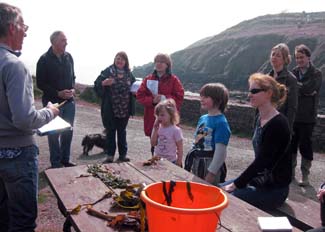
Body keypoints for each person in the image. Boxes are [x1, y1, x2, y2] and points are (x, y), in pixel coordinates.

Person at [0, 3, 59, 231]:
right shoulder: (14, 65)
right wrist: (50, 112)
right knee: (23, 223)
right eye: (23, 26)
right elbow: (24, 120)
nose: (26, 32)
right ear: (13, 28)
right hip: (18, 154)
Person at [223, 73, 291, 210]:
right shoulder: (259, 118)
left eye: (254, 91)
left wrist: (236, 184)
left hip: (275, 188)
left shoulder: (278, 124)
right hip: (260, 181)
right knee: (218, 189)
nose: (250, 95)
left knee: (227, 198)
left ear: (269, 93)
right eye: (250, 91)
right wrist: (239, 183)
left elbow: (262, 161)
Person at [36, 31, 76, 168]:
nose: (66, 43)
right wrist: (58, 93)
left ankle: (65, 159)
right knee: (53, 133)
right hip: (52, 103)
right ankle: (55, 163)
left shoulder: (69, 57)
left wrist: (73, 89)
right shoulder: (44, 59)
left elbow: (73, 77)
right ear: (54, 42)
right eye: (63, 40)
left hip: (70, 102)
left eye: (66, 40)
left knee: (68, 131)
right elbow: (40, 83)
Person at [136, 53, 184, 156]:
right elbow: (140, 95)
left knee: (170, 146)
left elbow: (179, 97)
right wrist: (152, 101)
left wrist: (164, 98)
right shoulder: (148, 79)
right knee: (154, 145)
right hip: (152, 116)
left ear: (167, 65)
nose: (159, 64)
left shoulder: (174, 80)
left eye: (162, 62)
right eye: (157, 61)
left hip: (169, 119)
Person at [185, 83, 231, 185]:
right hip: (197, 160)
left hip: (209, 163)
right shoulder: (203, 118)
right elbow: (198, 140)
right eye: (201, 96)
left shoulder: (221, 123)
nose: (201, 99)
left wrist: (212, 173)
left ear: (218, 100)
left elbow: (221, 152)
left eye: (206, 97)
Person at [94, 51, 136, 163]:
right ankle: (110, 155)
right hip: (110, 108)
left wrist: (136, 93)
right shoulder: (108, 71)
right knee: (111, 131)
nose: (119, 61)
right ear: (114, 60)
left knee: (122, 132)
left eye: (122, 59)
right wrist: (103, 84)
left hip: (124, 109)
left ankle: (123, 155)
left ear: (126, 62)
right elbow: (97, 84)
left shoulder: (129, 74)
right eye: (118, 58)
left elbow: (135, 88)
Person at [291, 44, 323, 186]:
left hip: (308, 118)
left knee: (306, 146)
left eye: (301, 57)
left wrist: (298, 87)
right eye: (297, 57)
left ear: (308, 57)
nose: (299, 60)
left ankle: (305, 176)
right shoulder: (294, 72)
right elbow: (291, 90)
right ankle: (290, 174)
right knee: (291, 145)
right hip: (293, 115)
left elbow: (311, 87)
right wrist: (305, 90)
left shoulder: (317, 73)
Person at [268, 43, 298, 132]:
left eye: (278, 56)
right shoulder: (266, 78)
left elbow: (292, 107)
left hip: (280, 123)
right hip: (265, 121)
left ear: (284, 59)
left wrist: (287, 128)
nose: (274, 57)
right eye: (273, 54)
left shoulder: (291, 79)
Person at [151, 99, 183, 167]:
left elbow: (180, 148)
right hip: (157, 160)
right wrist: (155, 130)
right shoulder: (158, 128)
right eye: (158, 115)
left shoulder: (176, 130)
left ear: (171, 115)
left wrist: (179, 161)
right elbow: (153, 143)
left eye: (162, 115)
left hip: (171, 161)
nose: (159, 117)